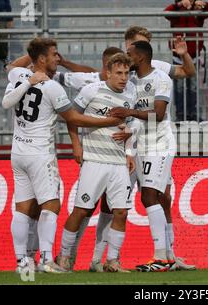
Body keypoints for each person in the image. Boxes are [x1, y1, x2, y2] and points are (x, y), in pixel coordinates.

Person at [3, 37, 124, 273]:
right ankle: (47, 259)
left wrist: (34, 52)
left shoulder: (18, 76)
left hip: (18, 151)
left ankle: (22, 262)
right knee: (51, 205)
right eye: (53, 54)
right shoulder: (52, 87)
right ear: (41, 59)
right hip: (40, 154)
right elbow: (73, 118)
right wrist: (110, 120)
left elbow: (11, 67)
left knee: (23, 208)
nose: (57, 58)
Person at [56, 53, 136, 273]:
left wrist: (129, 151)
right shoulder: (92, 90)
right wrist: (76, 145)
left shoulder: (131, 93)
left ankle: (112, 261)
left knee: (121, 212)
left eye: (126, 73)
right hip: (94, 160)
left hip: (118, 163)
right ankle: (64, 256)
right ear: (108, 72)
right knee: (81, 211)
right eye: (118, 73)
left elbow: (130, 127)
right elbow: (71, 117)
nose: (123, 78)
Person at [109, 41, 176, 272]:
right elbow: (134, 117)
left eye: (129, 55)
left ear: (141, 57)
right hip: (138, 145)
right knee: (145, 198)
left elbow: (158, 114)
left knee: (150, 197)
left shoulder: (161, 79)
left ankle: (162, 257)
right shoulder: (132, 81)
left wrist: (129, 112)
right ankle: (167, 256)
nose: (127, 59)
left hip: (160, 145)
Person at [164, 0, 208, 122]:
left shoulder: (197, 11)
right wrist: (179, 5)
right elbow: (166, 13)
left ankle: (192, 114)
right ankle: (180, 115)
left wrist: (203, 5)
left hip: (194, 56)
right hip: (178, 57)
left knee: (192, 87)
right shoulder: (176, 10)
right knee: (179, 87)